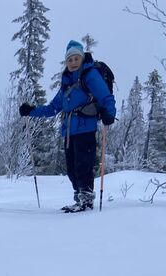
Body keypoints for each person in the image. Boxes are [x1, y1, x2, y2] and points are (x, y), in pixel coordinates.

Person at [19, 40, 116, 212]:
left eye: (76, 58)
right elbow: (53, 107)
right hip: (69, 132)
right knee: (72, 169)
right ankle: (79, 198)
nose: (72, 62)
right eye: (69, 60)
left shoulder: (90, 75)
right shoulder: (67, 82)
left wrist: (110, 114)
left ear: (81, 58)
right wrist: (31, 111)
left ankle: (86, 201)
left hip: (86, 128)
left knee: (83, 166)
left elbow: (106, 96)